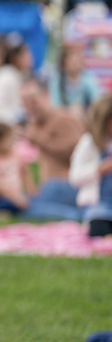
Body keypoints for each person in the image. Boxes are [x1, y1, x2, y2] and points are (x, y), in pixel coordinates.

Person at [19, 76, 84, 221]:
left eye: (33, 100)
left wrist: (38, 140)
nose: (30, 106)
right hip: (50, 185)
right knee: (19, 202)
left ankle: (79, 216)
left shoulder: (64, 119)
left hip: (67, 183)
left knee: (27, 209)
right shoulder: (36, 124)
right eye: (25, 102)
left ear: (46, 95)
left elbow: (78, 153)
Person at [69, 94, 112, 237]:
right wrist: (99, 169)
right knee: (98, 228)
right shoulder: (89, 143)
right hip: (99, 206)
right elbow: (74, 177)